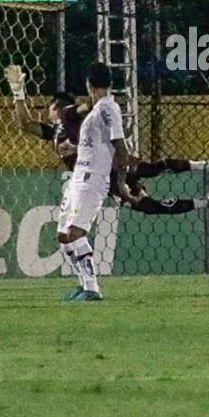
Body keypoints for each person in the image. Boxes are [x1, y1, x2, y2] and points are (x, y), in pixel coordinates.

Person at [9, 65, 209, 216]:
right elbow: (25, 124)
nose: (46, 112)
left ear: (56, 107)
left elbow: (91, 106)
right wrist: (18, 92)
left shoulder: (70, 114)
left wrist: (95, 91)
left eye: (49, 107)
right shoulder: (54, 132)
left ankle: (205, 165)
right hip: (103, 181)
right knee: (148, 207)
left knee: (151, 169)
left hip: (113, 164)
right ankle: (206, 202)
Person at [54, 62, 132, 302]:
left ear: (89, 83)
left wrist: (120, 183)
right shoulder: (98, 108)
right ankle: (82, 283)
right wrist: (74, 147)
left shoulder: (108, 108)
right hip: (79, 176)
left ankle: (92, 287)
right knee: (63, 235)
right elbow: (98, 144)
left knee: (76, 232)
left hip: (92, 179)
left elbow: (121, 148)